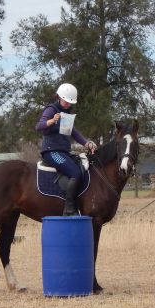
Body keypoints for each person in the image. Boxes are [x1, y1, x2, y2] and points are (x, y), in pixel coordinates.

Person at [35, 83, 97, 216]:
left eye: (70, 102)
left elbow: (74, 133)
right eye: (66, 101)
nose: (68, 104)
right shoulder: (51, 109)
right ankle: (69, 209)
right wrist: (52, 120)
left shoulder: (66, 113)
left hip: (63, 152)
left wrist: (87, 144)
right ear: (59, 97)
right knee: (75, 173)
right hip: (51, 152)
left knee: (80, 168)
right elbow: (39, 126)